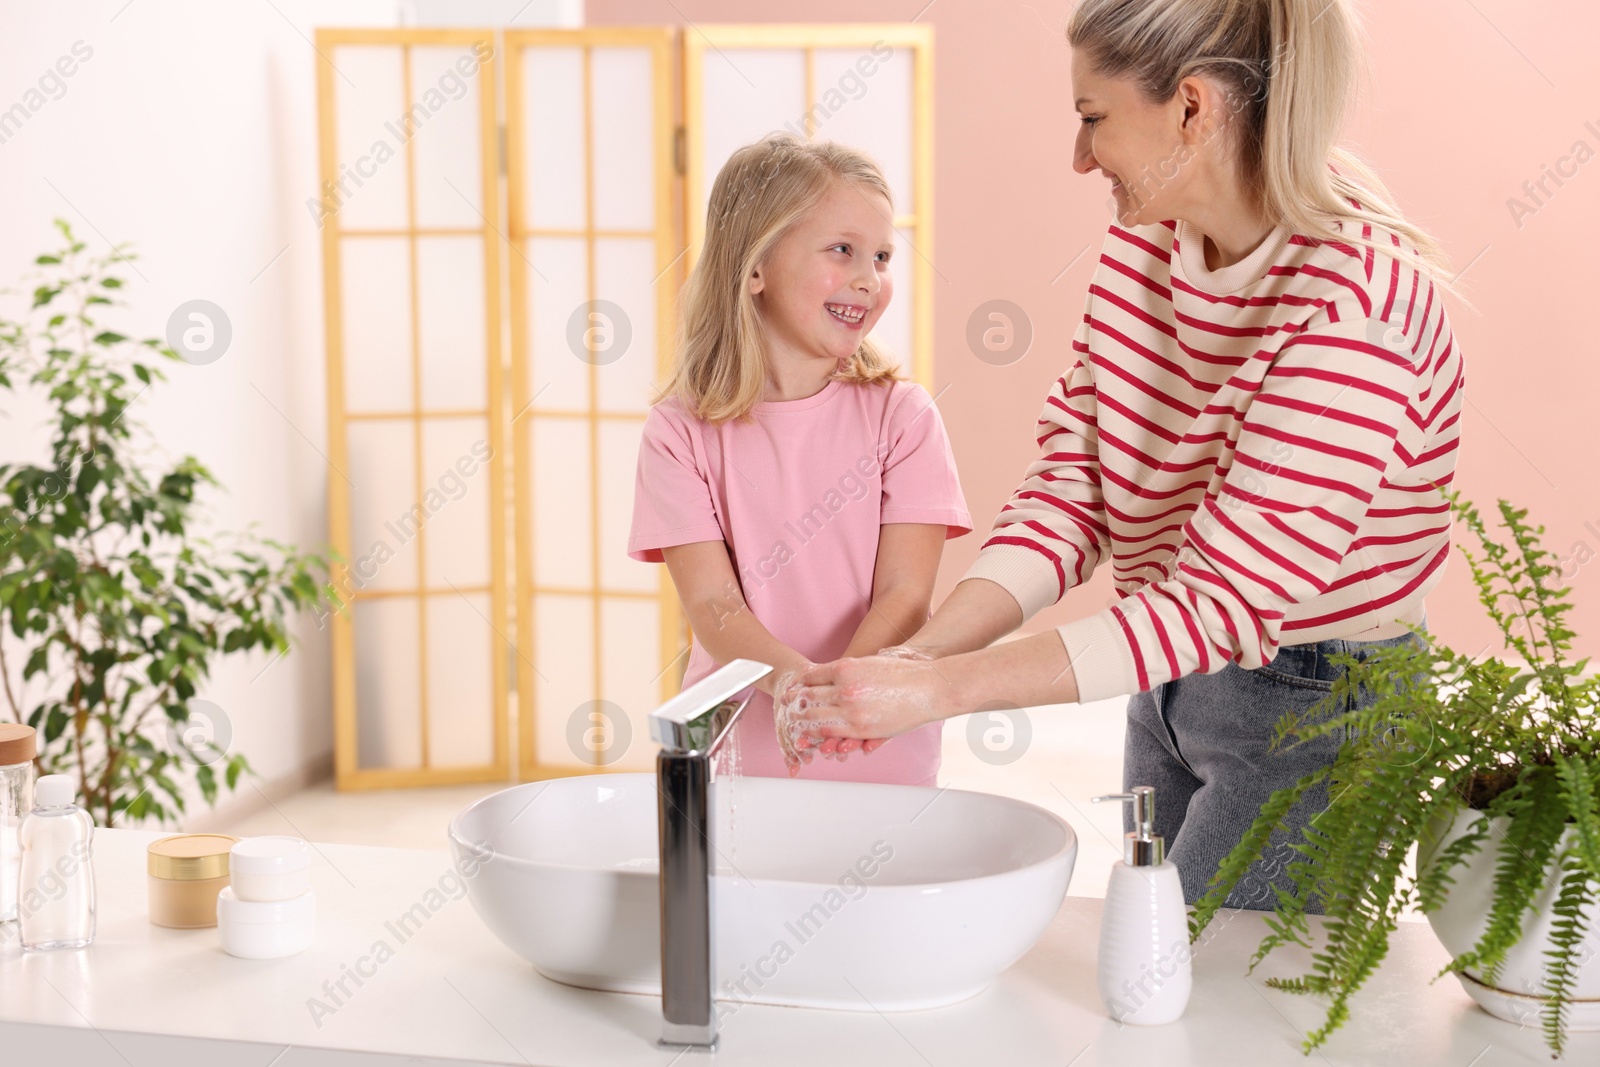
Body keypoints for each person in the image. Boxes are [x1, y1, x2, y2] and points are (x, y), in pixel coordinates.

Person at [779, 0, 1467, 909]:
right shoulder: (1145, 246)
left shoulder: (1353, 309)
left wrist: (945, 690)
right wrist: (922, 656)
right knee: (1159, 982)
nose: (1077, 156)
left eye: (1092, 117)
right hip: (1167, 672)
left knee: (1238, 1008)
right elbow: (1076, 485)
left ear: (1190, 108)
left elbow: (1221, 600)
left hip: (1317, 701)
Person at [627, 132, 972, 787]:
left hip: (876, 734)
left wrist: (842, 696)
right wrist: (797, 689)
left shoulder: (905, 416)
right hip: (740, 749)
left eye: (882, 256)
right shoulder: (678, 433)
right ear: (754, 267)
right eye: (842, 250)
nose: (868, 279)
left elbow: (904, 594)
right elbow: (714, 605)